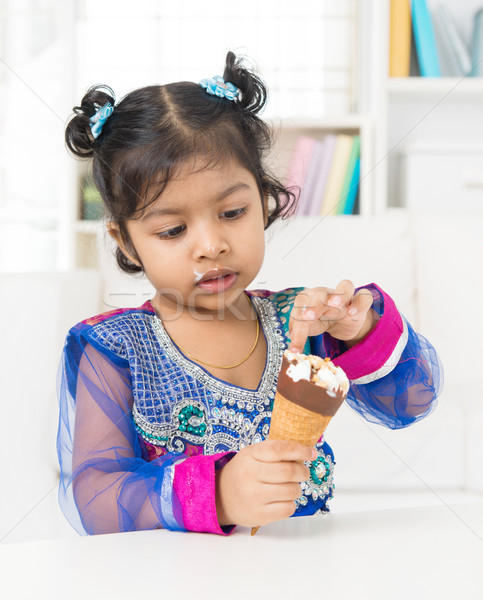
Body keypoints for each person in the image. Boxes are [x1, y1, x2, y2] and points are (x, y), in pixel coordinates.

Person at [57, 51, 442, 536]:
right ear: (126, 241)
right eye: (174, 230)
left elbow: (410, 401)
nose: (211, 244)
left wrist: (360, 330)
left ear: (263, 201)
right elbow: (96, 499)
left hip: (303, 569)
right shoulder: (116, 350)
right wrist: (218, 494)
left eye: (232, 212)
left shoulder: (300, 322)